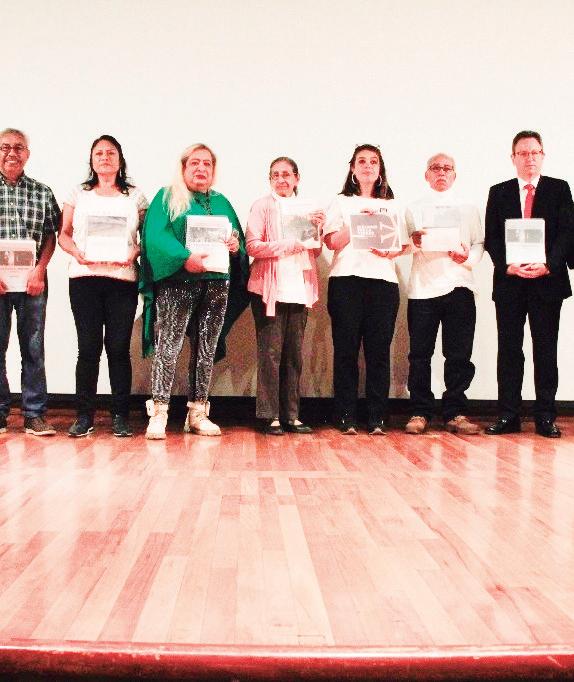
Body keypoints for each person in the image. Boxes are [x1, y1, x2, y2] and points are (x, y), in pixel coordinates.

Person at [140, 143, 247, 440]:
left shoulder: (222, 202)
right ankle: (159, 412)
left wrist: (234, 245)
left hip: (217, 283)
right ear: (184, 167)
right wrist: (184, 258)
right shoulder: (168, 197)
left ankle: (198, 412)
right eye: (195, 163)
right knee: (168, 346)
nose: (201, 168)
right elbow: (156, 236)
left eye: (207, 164)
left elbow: (237, 239)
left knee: (205, 350)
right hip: (179, 282)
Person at [484, 131, 574, 438]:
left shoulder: (559, 189)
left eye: (535, 152)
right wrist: (506, 265)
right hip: (510, 281)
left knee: (545, 349)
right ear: (513, 158)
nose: (529, 158)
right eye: (523, 153)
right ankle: (508, 415)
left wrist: (548, 264)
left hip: (547, 282)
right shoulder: (499, 192)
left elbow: (567, 233)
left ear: (543, 156)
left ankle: (545, 416)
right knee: (509, 350)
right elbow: (492, 236)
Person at [58, 135, 148, 437]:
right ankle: (84, 416)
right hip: (84, 279)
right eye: (99, 153)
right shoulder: (78, 193)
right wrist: (76, 252)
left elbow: (147, 238)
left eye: (111, 153)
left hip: (122, 280)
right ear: (92, 160)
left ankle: (120, 415)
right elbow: (63, 235)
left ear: (120, 160)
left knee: (119, 348)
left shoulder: (135, 196)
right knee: (88, 348)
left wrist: (134, 253)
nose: (105, 157)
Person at [324, 144, 407, 435]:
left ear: (380, 169)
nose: (368, 166)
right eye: (362, 161)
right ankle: (345, 415)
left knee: (378, 352)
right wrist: (359, 222)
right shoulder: (341, 202)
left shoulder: (394, 205)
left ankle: (377, 417)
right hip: (346, 280)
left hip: (383, 283)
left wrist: (390, 251)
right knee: (345, 350)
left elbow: (402, 245)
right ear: (353, 168)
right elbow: (331, 242)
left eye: (373, 161)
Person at [404, 154, 484, 435]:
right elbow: (403, 245)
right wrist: (413, 242)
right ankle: (419, 412)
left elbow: (479, 244)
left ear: (454, 174)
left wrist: (467, 258)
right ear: (426, 175)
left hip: (460, 286)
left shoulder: (468, 207)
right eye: (435, 168)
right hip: (422, 288)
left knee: (459, 354)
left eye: (447, 168)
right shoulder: (413, 208)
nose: (441, 172)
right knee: (419, 355)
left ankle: (455, 412)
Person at [246, 156, 325, 435]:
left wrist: (317, 229)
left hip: (299, 289)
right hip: (269, 290)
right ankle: (270, 415)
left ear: (296, 178)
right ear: (270, 180)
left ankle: (291, 415)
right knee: (270, 354)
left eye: (286, 174)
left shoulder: (307, 209)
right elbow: (252, 246)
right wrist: (287, 245)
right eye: (275, 175)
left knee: (294, 355)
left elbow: (315, 251)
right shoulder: (262, 206)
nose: (281, 179)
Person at [0, 128, 60, 436]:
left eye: (18, 147)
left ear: (27, 153)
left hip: (32, 282)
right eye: (5, 147)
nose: (12, 153)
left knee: (33, 349)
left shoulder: (42, 191)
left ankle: (34, 415)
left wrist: (41, 269)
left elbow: (51, 235)